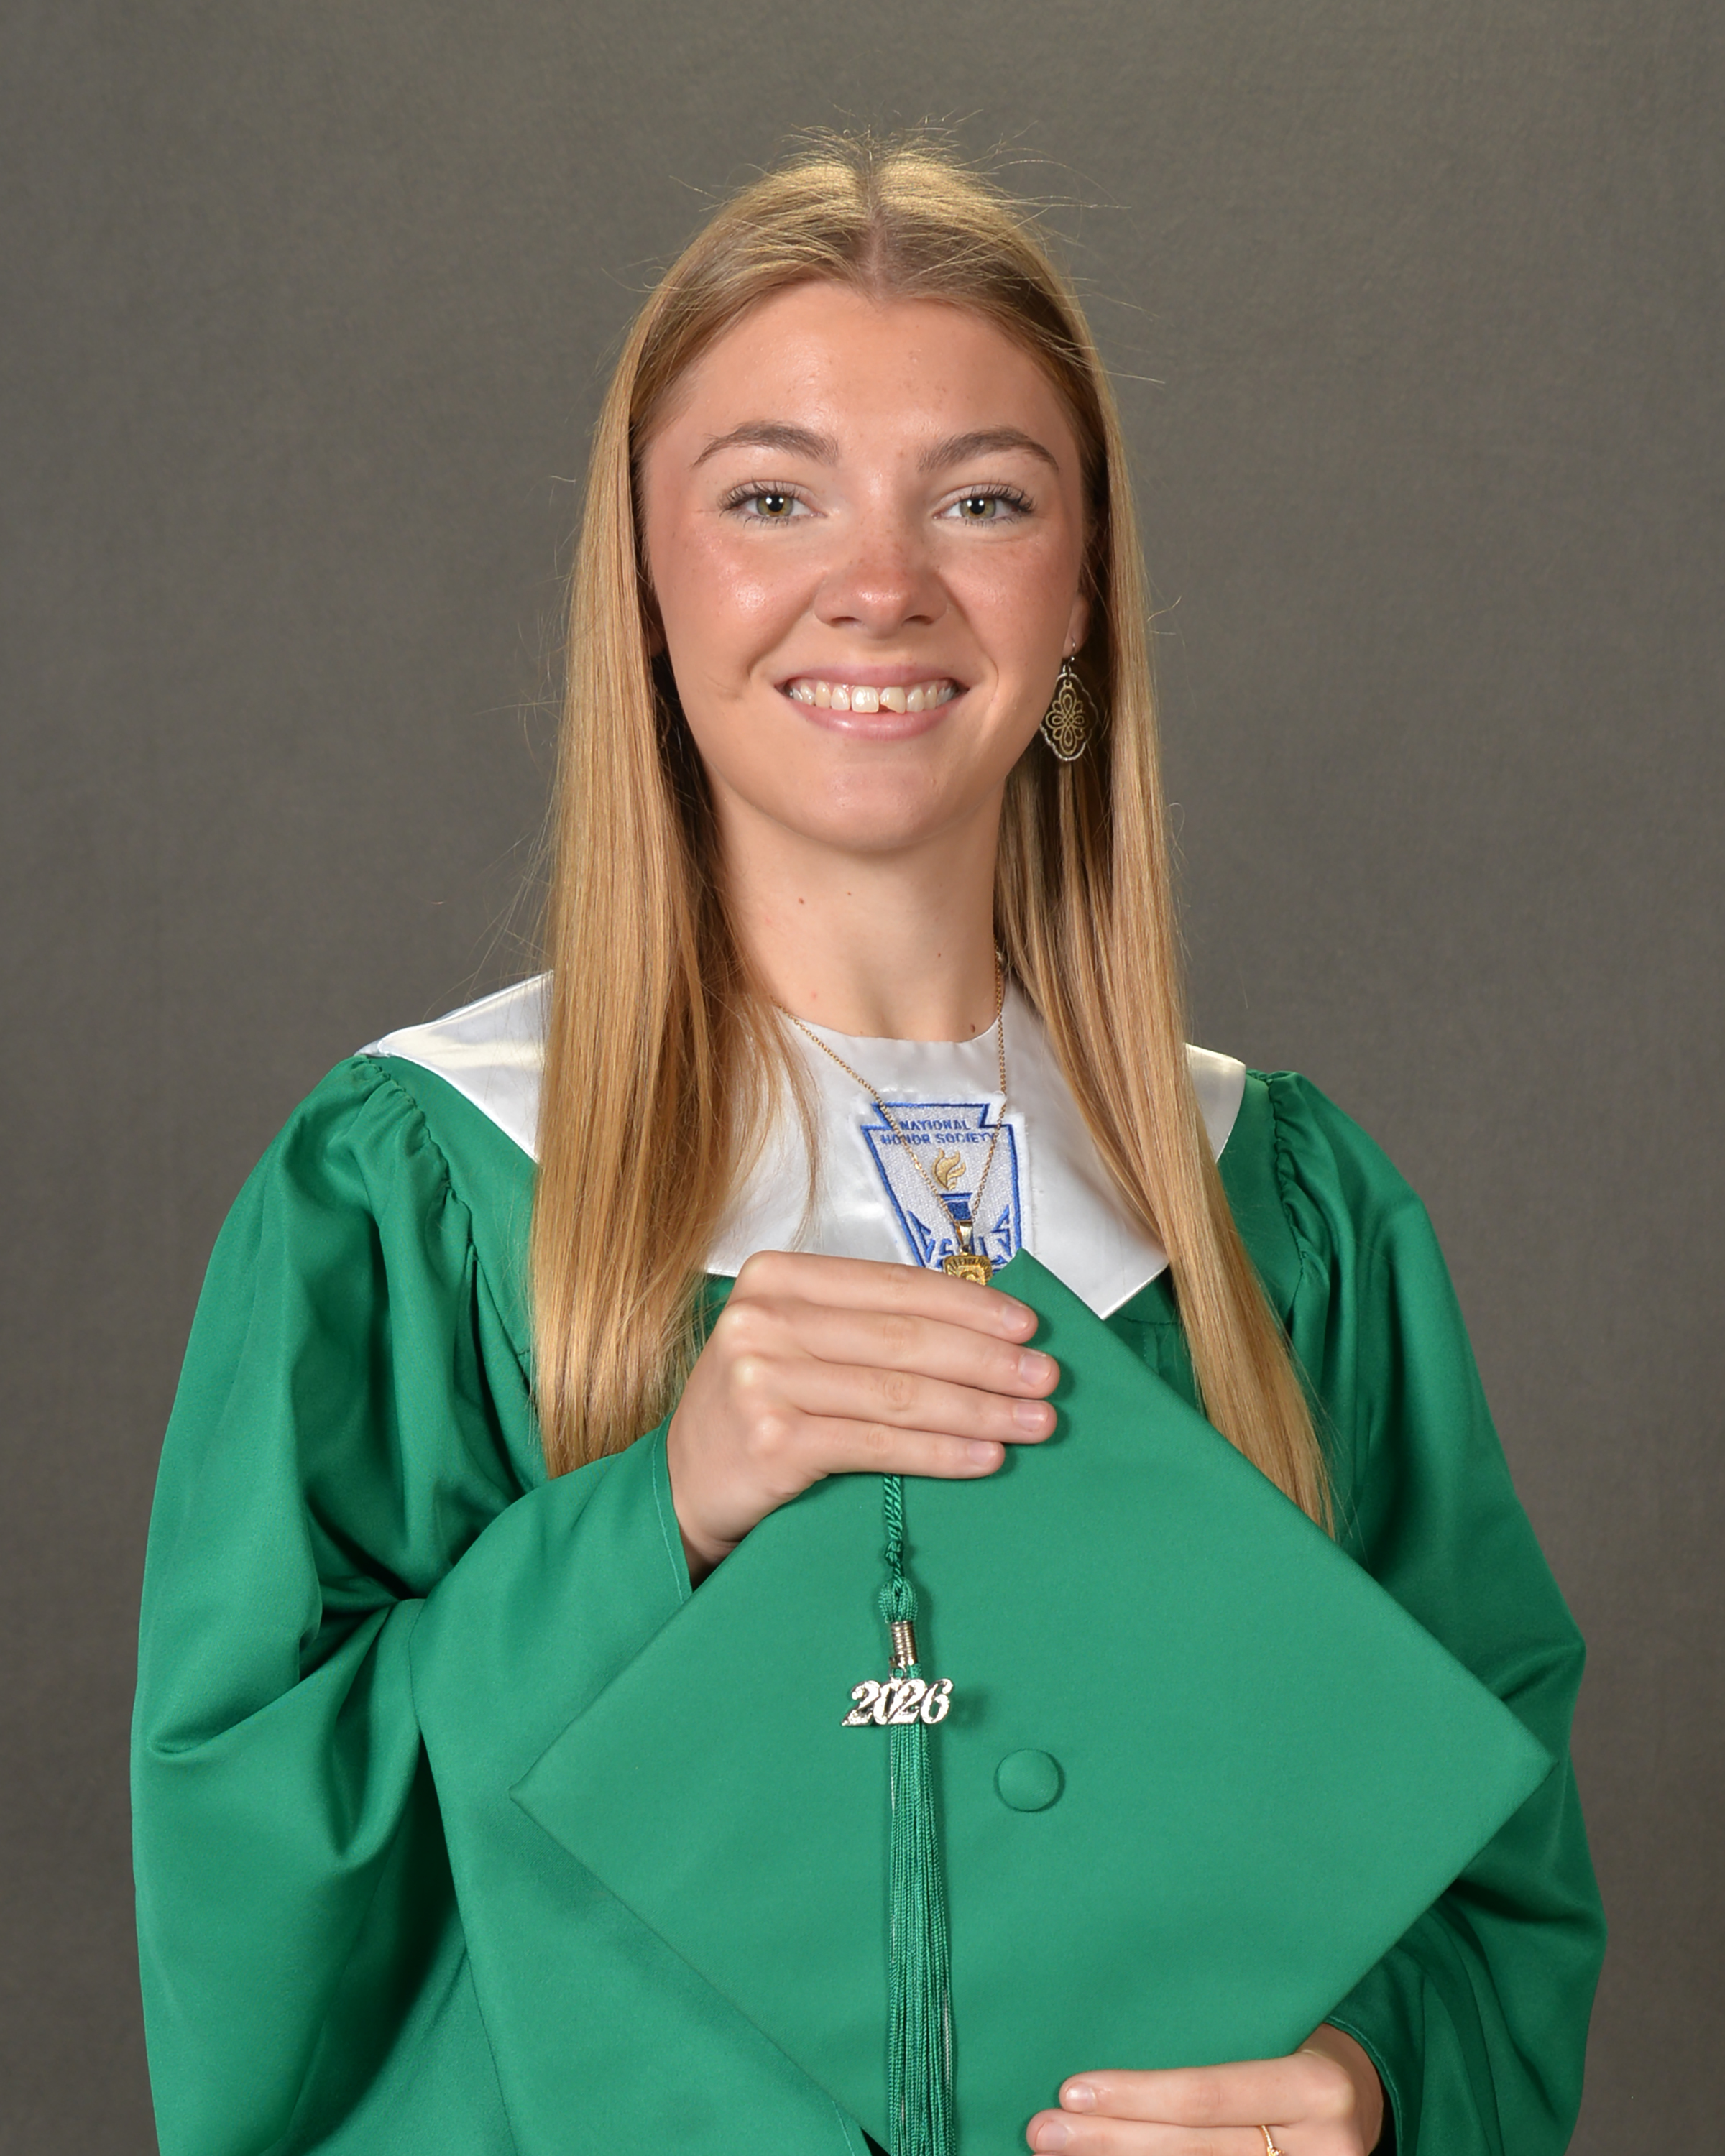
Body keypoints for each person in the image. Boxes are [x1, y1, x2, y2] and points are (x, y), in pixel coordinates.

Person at [132, 135, 1603, 2156]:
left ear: (1082, 592)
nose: (883, 585)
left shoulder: (1276, 1208)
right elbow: (249, 1885)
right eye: (771, 496)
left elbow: (1490, 1868)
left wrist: (1376, 2082)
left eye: (983, 500)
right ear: (643, 583)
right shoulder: (420, 1186)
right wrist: (653, 1525)